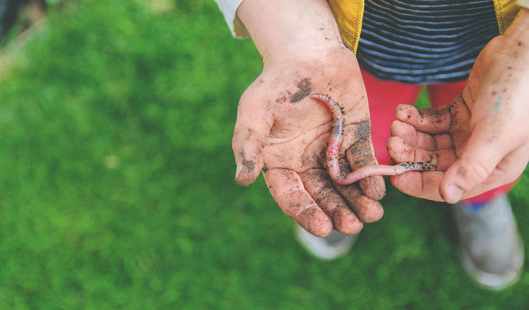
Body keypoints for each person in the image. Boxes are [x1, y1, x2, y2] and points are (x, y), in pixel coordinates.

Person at [215, 0, 529, 290]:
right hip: (356, 49)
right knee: (363, 134)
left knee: (476, 146)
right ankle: (345, 196)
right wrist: (292, 37)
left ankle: (478, 201)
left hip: (496, 55)